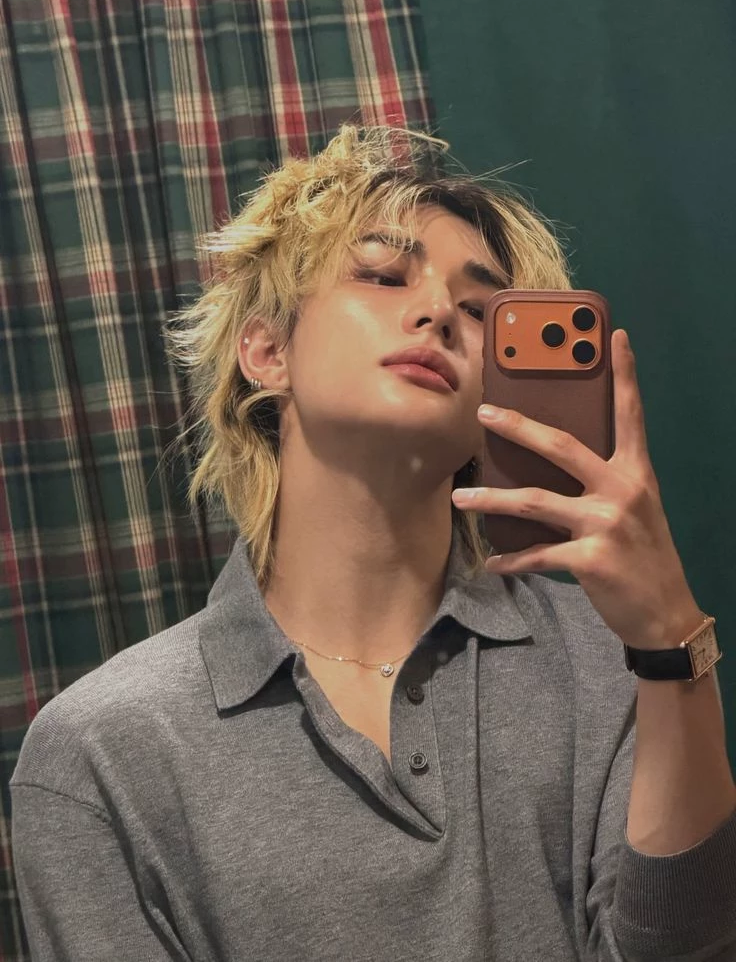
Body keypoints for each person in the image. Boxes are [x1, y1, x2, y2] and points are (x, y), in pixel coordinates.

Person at [10, 125, 736, 961]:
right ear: (267, 351)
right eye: (383, 275)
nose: (438, 312)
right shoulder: (99, 753)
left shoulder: (612, 661)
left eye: (481, 312)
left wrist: (670, 640)